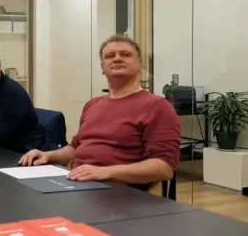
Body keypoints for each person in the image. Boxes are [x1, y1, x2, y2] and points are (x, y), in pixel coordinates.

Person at [19, 35, 180, 184]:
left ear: (140, 64)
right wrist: (47, 155)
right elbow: (76, 148)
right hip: (75, 181)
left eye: (125, 55)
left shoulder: (158, 107)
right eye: (110, 56)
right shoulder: (92, 105)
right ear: (103, 67)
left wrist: (104, 172)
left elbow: (164, 168)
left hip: (117, 193)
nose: (117, 59)